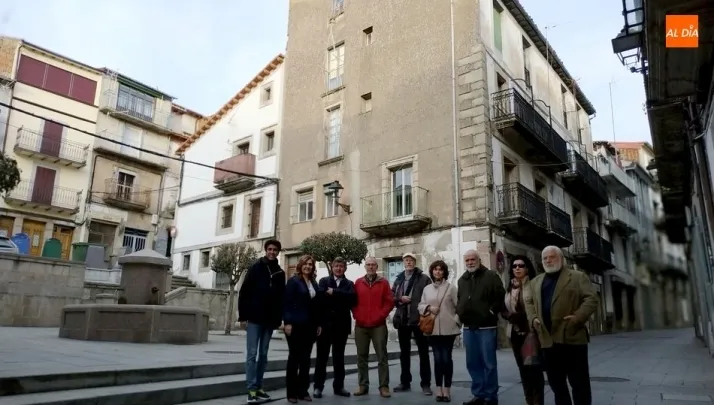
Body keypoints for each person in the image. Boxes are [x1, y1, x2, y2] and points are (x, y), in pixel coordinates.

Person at [524, 246, 598, 405]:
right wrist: (533, 318)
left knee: (579, 384)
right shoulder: (536, 281)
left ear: (561, 259)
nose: (548, 260)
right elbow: (528, 302)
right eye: (545, 258)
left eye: (552, 257)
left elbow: (591, 299)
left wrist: (577, 317)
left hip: (572, 338)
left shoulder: (577, 277)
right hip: (548, 341)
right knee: (556, 384)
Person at [237, 239, 286, 404]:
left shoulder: (280, 272)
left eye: (275, 250)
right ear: (266, 250)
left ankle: (258, 387)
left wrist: (279, 319)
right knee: (252, 354)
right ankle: (251, 389)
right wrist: (243, 316)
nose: (272, 252)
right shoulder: (255, 267)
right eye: (270, 249)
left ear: (278, 252)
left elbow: (281, 298)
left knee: (263, 355)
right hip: (254, 318)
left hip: (269, 320)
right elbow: (244, 292)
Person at [457, 249, 506, 405]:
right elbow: (460, 299)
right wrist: (460, 313)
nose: (470, 262)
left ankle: (491, 397)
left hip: (486, 326)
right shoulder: (462, 280)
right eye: (467, 260)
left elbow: (501, 296)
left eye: (473, 259)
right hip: (468, 327)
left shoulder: (491, 276)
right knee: (472, 363)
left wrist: (490, 311)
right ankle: (479, 395)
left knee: (489, 363)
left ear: (479, 260)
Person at [502, 255, 544, 405]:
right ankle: (529, 400)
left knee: (534, 369)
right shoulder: (510, 287)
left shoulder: (533, 285)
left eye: (521, 265)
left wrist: (520, 316)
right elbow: (505, 307)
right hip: (515, 333)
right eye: (514, 266)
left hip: (530, 333)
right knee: (523, 370)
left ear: (527, 268)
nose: (517, 268)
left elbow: (536, 307)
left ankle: (537, 402)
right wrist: (506, 314)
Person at [417, 260, 460, 403]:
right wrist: (429, 308)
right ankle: (438, 389)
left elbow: (459, 307)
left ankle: (447, 390)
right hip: (432, 329)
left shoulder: (451, 288)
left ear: (444, 272)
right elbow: (420, 305)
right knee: (437, 359)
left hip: (449, 329)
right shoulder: (427, 289)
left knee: (446, 359)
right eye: (435, 269)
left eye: (440, 269)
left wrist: (456, 321)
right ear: (432, 271)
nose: (437, 272)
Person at [351, 257, 394, 398]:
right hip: (361, 326)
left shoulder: (384, 283)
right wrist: (357, 315)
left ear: (377, 267)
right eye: (368, 265)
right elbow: (353, 302)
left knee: (382, 356)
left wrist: (380, 316)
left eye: (373, 265)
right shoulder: (358, 282)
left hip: (378, 325)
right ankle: (363, 385)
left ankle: (384, 386)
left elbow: (389, 302)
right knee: (361, 357)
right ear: (365, 267)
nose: (370, 267)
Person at [313, 257, 355, 398]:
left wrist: (334, 292)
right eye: (336, 266)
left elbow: (352, 298)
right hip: (325, 326)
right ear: (332, 267)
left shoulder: (349, 284)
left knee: (339, 358)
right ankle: (318, 387)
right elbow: (321, 299)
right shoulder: (324, 281)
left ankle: (339, 387)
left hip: (341, 326)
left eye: (341, 266)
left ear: (345, 268)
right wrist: (318, 324)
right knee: (321, 358)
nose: (338, 268)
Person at [391, 252, 433, 395]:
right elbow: (391, 296)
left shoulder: (424, 278)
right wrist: (399, 299)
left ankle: (426, 384)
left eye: (411, 260)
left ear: (415, 262)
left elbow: (430, 297)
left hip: (419, 320)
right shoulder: (399, 279)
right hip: (403, 320)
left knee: (423, 353)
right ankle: (405, 382)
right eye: (406, 260)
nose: (408, 262)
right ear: (403, 262)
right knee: (404, 354)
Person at [283, 255, 323, 403]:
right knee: (294, 359)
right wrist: (287, 322)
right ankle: (291, 393)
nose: (308, 266)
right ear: (300, 265)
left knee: (306, 360)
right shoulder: (293, 281)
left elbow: (316, 306)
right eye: (306, 264)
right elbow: (286, 303)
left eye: (310, 264)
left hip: (310, 327)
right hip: (295, 325)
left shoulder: (313, 282)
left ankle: (303, 391)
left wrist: (318, 324)